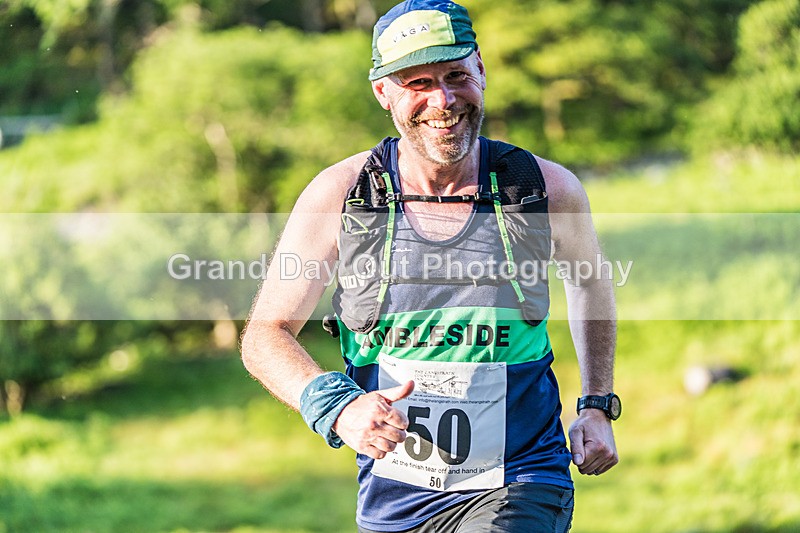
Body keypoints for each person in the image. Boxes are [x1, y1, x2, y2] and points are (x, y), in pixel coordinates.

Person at [241, 1, 620, 531]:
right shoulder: (341, 196)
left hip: (523, 478)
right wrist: (337, 407)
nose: (443, 100)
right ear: (383, 94)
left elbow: (590, 287)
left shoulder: (545, 189)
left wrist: (597, 402)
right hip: (393, 500)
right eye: (417, 82)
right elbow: (265, 335)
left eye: (456, 75)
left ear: (481, 71)